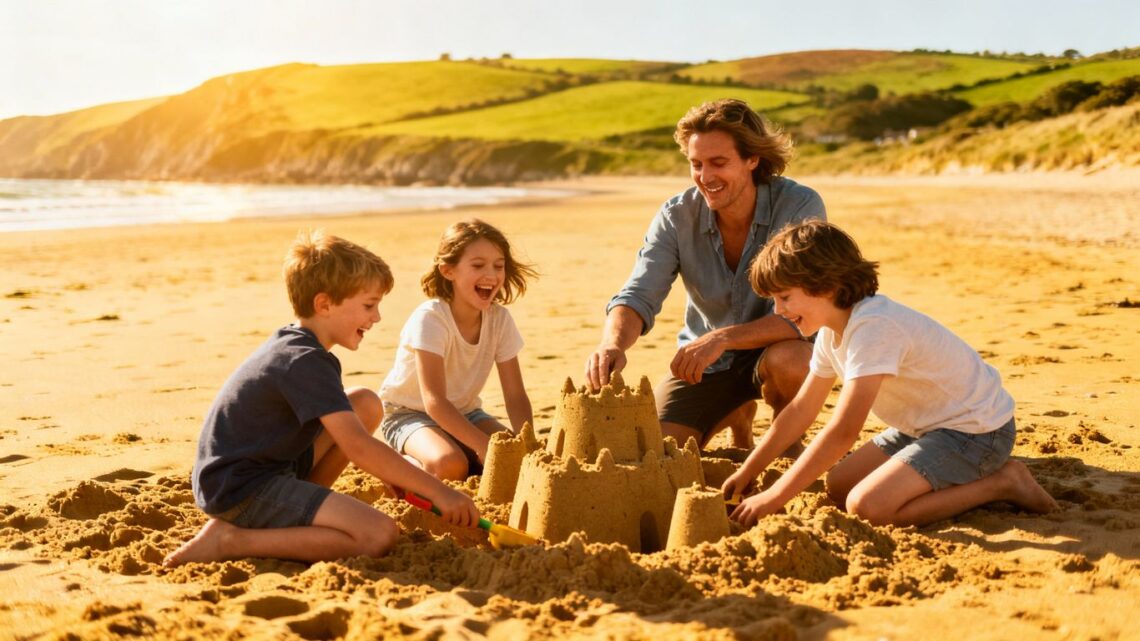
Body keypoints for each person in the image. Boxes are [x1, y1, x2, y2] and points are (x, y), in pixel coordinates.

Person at [164, 231, 478, 567]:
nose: (376, 317)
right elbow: (357, 447)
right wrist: (440, 492)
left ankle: (302, 508)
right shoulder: (304, 360)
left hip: (265, 467)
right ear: (324, 304)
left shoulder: (300, 345)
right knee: (377, 534)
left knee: (364, 404)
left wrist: (393, 474)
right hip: (242, 488)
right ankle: (231, 540)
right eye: (368, 305)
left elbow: (352, 435)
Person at [723, 220, 1058, 527]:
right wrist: (749, 469)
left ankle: (1002, 483)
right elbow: (801, 410)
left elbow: (843, 432)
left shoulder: (874, 327)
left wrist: (775, 496)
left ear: (826, 285)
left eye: (784, 297)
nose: (778, 310)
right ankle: (945, 479)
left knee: (867, 506)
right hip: (922, 427)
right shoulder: (829, 333)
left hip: (976, 431)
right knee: (839, 484)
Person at [585, 98, 826, 451]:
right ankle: (737, 413)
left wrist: (723, 338)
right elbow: (639, 293)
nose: (705, 177)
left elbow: (808, 312)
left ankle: (786, 438)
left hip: (777, 349)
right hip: (707, 363)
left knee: (794, 362)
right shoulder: (676, 216)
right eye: (696, 164)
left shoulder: (798, 205)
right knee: (663, 449)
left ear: (752, 159)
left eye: (718, 163)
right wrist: (612, 344)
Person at [380, 219, 536, 481]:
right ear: (448, 270)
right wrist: (482, 446)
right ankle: (398, 467)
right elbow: (434, 402)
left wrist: (527, 442)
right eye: (478, 265)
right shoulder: (431, 319)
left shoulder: (500, 320)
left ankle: (460, 450)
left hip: (467, 413)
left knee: (512, 457)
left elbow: (515, 395)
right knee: (450, 465)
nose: (491, 275)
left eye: (499, 266)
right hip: (409, 415)